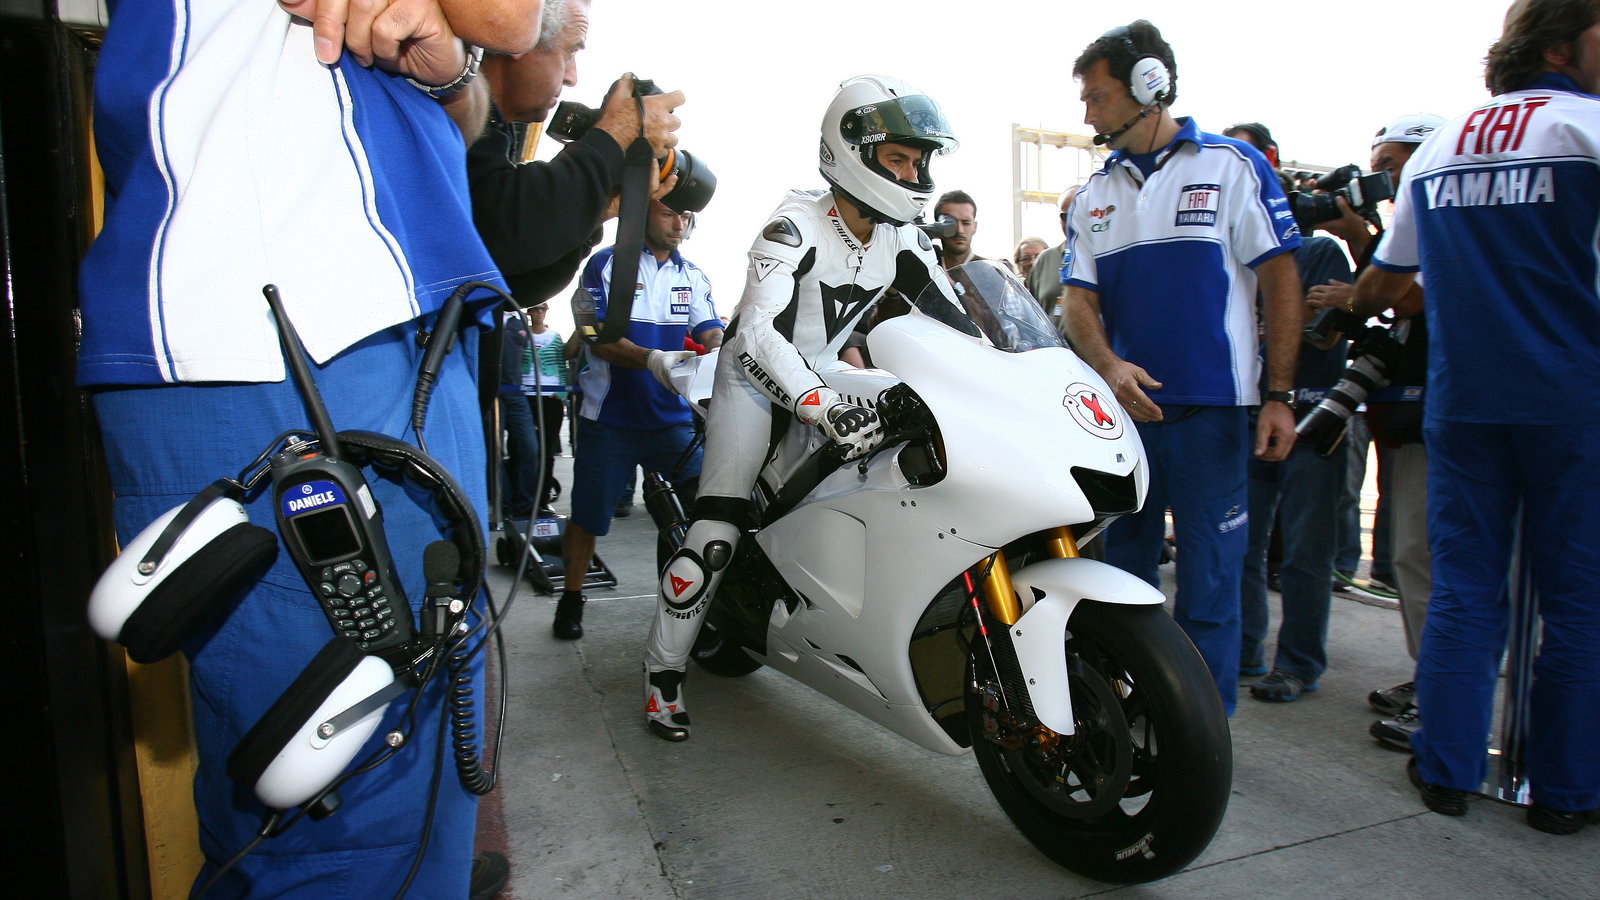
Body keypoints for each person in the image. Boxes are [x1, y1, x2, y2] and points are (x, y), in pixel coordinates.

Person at [77, 0, 542, 895]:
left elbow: (473, 76)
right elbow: (516, 17)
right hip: (310, 335)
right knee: (362, 835)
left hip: (254, 323)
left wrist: (446, 69)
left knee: (275, 822)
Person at [641, 74, 960, 742]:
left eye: (917, 160)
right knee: (717, 533)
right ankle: (662, 675)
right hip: (754, 383)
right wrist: (817, 404)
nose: (912, 172)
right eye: (897, 158)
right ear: (852, 152)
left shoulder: (900, 239)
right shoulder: (794, 225)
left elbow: (961, 320)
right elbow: (756, 335)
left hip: (824, 378)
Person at [1352, 0, 1600, 833]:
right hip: (1574, 400)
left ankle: (1447, 770)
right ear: (1562, 45)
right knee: (1578, 601)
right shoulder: (1587, 132)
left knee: (1464, 589)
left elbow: (1382, 286)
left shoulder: (1442, 145)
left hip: (1463, 400)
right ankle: (1565, 793)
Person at [1062, 20, 1302, 716]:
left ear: (1149, 85)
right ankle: (1133, 714)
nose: (1088, 112)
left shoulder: (1232, 166)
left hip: (1211, 417)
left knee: (1211, 585)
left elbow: (1281, 279)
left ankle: (1203, 734)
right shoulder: (1095, 193)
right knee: (1120, 580)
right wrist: (1107, 365)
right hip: (1124, 419)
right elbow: (1077, 299)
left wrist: (1280, 394)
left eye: (1097, 96)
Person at [1306, 112, 1445, 746]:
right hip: (1408, 414)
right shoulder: (1400, 227)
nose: (1381, 178)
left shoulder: (1446, 213)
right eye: (1379, 165)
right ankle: (1434, 679)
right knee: (1416, 554)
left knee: (1426, 554)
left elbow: (1410, 296)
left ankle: (1444, 696)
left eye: (1392, 165)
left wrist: (1358, 280)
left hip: (1446, 412)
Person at [558, 199, 723, 640]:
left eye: (684, 216)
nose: (679, 223)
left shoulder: (693, 276)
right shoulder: (606, 265)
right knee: (588, 519)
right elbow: (599, 339)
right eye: (669, 212)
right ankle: (571, 598)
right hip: (609, 420)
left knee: (699, 516)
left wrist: (723, 346)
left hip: (671, 422)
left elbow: (710, 330)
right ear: (643, 214)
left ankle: (689, 606)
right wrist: (654, 359)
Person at [525, 300, 569, 514]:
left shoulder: (555, 337)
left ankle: (542, 498)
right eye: (536, 308)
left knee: (547, 450)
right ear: (530, 312)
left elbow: (561, 365)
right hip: (525, 395)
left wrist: (560, 394)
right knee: (525, 448)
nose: (539, 312)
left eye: (543, 308)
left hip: (550, 397)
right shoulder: (521, 335)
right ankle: (524, 498)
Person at [1027, 185, 1078, 328]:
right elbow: (1031, 315)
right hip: (1053, 349)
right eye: (1065, 216)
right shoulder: (1045, 260)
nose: (1072, 222)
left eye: (1078, 213)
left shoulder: (1105, 259)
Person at [933, 189, 981, 268]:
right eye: (950, 223)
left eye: (966, 223)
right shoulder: (922, 268)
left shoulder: (990, 272)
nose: (959, 231)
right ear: (938, 226)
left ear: (974, 227)